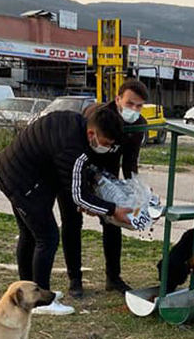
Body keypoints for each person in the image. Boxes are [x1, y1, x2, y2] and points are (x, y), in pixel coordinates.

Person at [0, 106, 132, 315]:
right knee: (46, 238)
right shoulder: (75, 150)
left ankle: (28, 292)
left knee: (29, 235)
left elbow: (76, 185)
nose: (107, 148)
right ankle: (41, 303)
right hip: (22, 181)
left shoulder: (73, 123)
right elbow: (79, 197)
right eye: (106, 143)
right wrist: (113, 210)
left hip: (11, 169)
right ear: (92, 133)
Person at [57, 79, 150, 298]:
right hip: (77, 171)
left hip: (108, 179)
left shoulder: (137, 126)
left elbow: (130, 162)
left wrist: (134, 192)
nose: (134, 110)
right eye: (130, 104)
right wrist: (86, 190)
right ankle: (75, 280)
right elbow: (80, 149)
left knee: (113, 222)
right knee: (72, 222)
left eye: (139, 106)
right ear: (118, 99)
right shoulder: (95, 113)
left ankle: (113, 277)